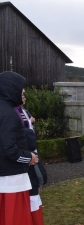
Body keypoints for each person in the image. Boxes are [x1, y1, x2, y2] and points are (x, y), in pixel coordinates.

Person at [0, 71, 39, 225]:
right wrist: (29, 157)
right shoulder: (9, 114)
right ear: (11, 89)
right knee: (15, 218)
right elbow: (9, 148)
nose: (23, 94)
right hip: (11, 178)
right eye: (21, 91)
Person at [15, 90, 47, 225]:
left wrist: (31, 121)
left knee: (37, 178)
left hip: (30, 151)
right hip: (25, 154)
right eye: (22, 95)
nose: (25, 97)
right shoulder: (13, 113)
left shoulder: (23, 111)